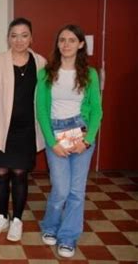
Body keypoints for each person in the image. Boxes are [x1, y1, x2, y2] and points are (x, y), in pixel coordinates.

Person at [36, 24, 102, 258]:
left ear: (81, 44)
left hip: (81, 133)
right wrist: (52, 142)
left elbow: (97, 111)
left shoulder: (90, 74)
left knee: (76, 190)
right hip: (56, 133)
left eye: (71, 40)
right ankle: (50, 226)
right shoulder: (46, 72)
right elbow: (41, 110)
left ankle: (68, 236)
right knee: (61, 188)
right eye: (62, 40)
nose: (65, 44)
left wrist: (87, 140)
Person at [0, 18, 46, 242]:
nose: (19, 40)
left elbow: (44, 99)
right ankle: (1, 215)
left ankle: (17, 219)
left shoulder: (41, 62)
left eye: (24, 35)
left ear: (31, 37)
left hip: (26, 130)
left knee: (19, 174)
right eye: (14, 35)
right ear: (8, 38)